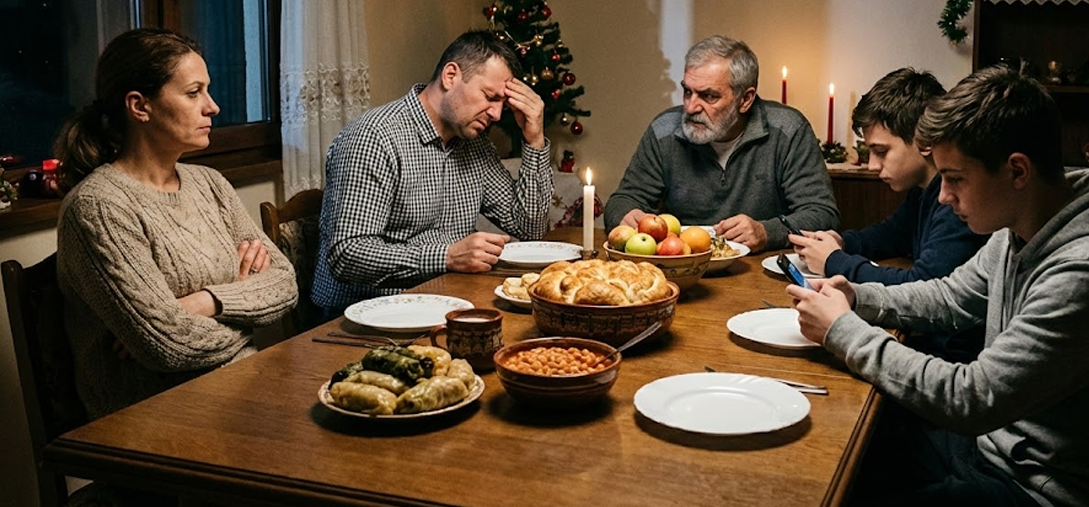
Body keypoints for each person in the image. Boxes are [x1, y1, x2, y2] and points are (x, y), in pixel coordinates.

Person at [788, 66, 1089, 506]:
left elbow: (972, 397)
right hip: (997, 450)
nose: (942, 196)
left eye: (955, 178)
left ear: (1017, 171)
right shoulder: (1020, 228)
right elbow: (949, 298)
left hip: (1048, 489)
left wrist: (843, 330)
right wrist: (858, 297)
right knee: (842, 457)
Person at [55, 28, 298, 420]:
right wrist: (244, 312)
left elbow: (285, 283)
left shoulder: (209, 184)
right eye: (193, 92)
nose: (213, 107)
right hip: (152, 421)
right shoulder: (99, 208)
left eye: (208, 90)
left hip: (238, 391)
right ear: (139, 106)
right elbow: (165, 345)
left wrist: (206, 302)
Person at [312, 30, 552, 316]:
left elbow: (531, 228)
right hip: (364, 316)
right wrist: (446, 256)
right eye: (490, 97)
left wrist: (534, 140)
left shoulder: (474, 144)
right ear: (451, 76)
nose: (497, 115)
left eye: (504, 104)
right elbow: (347, 255)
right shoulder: (374, 138)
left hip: (445, 301)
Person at [789, 68, 987, 361]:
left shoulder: (957, 202)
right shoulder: (923, 188)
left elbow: (924, 285)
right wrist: (840, 242)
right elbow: (892, 233)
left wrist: (834, 261)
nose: (871, 165)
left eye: (881, 151)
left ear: (924, 141)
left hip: (947, 357)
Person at [603, 35, 838, 252]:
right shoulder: (665, 130)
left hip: (760, 271)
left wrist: (767, 232)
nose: (690, 107)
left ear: (745, 99)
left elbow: (822, 214)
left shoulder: (788, 130)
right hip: (683, 265)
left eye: (709, 96)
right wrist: (626, 214)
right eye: (687, 92)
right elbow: (622, 200)